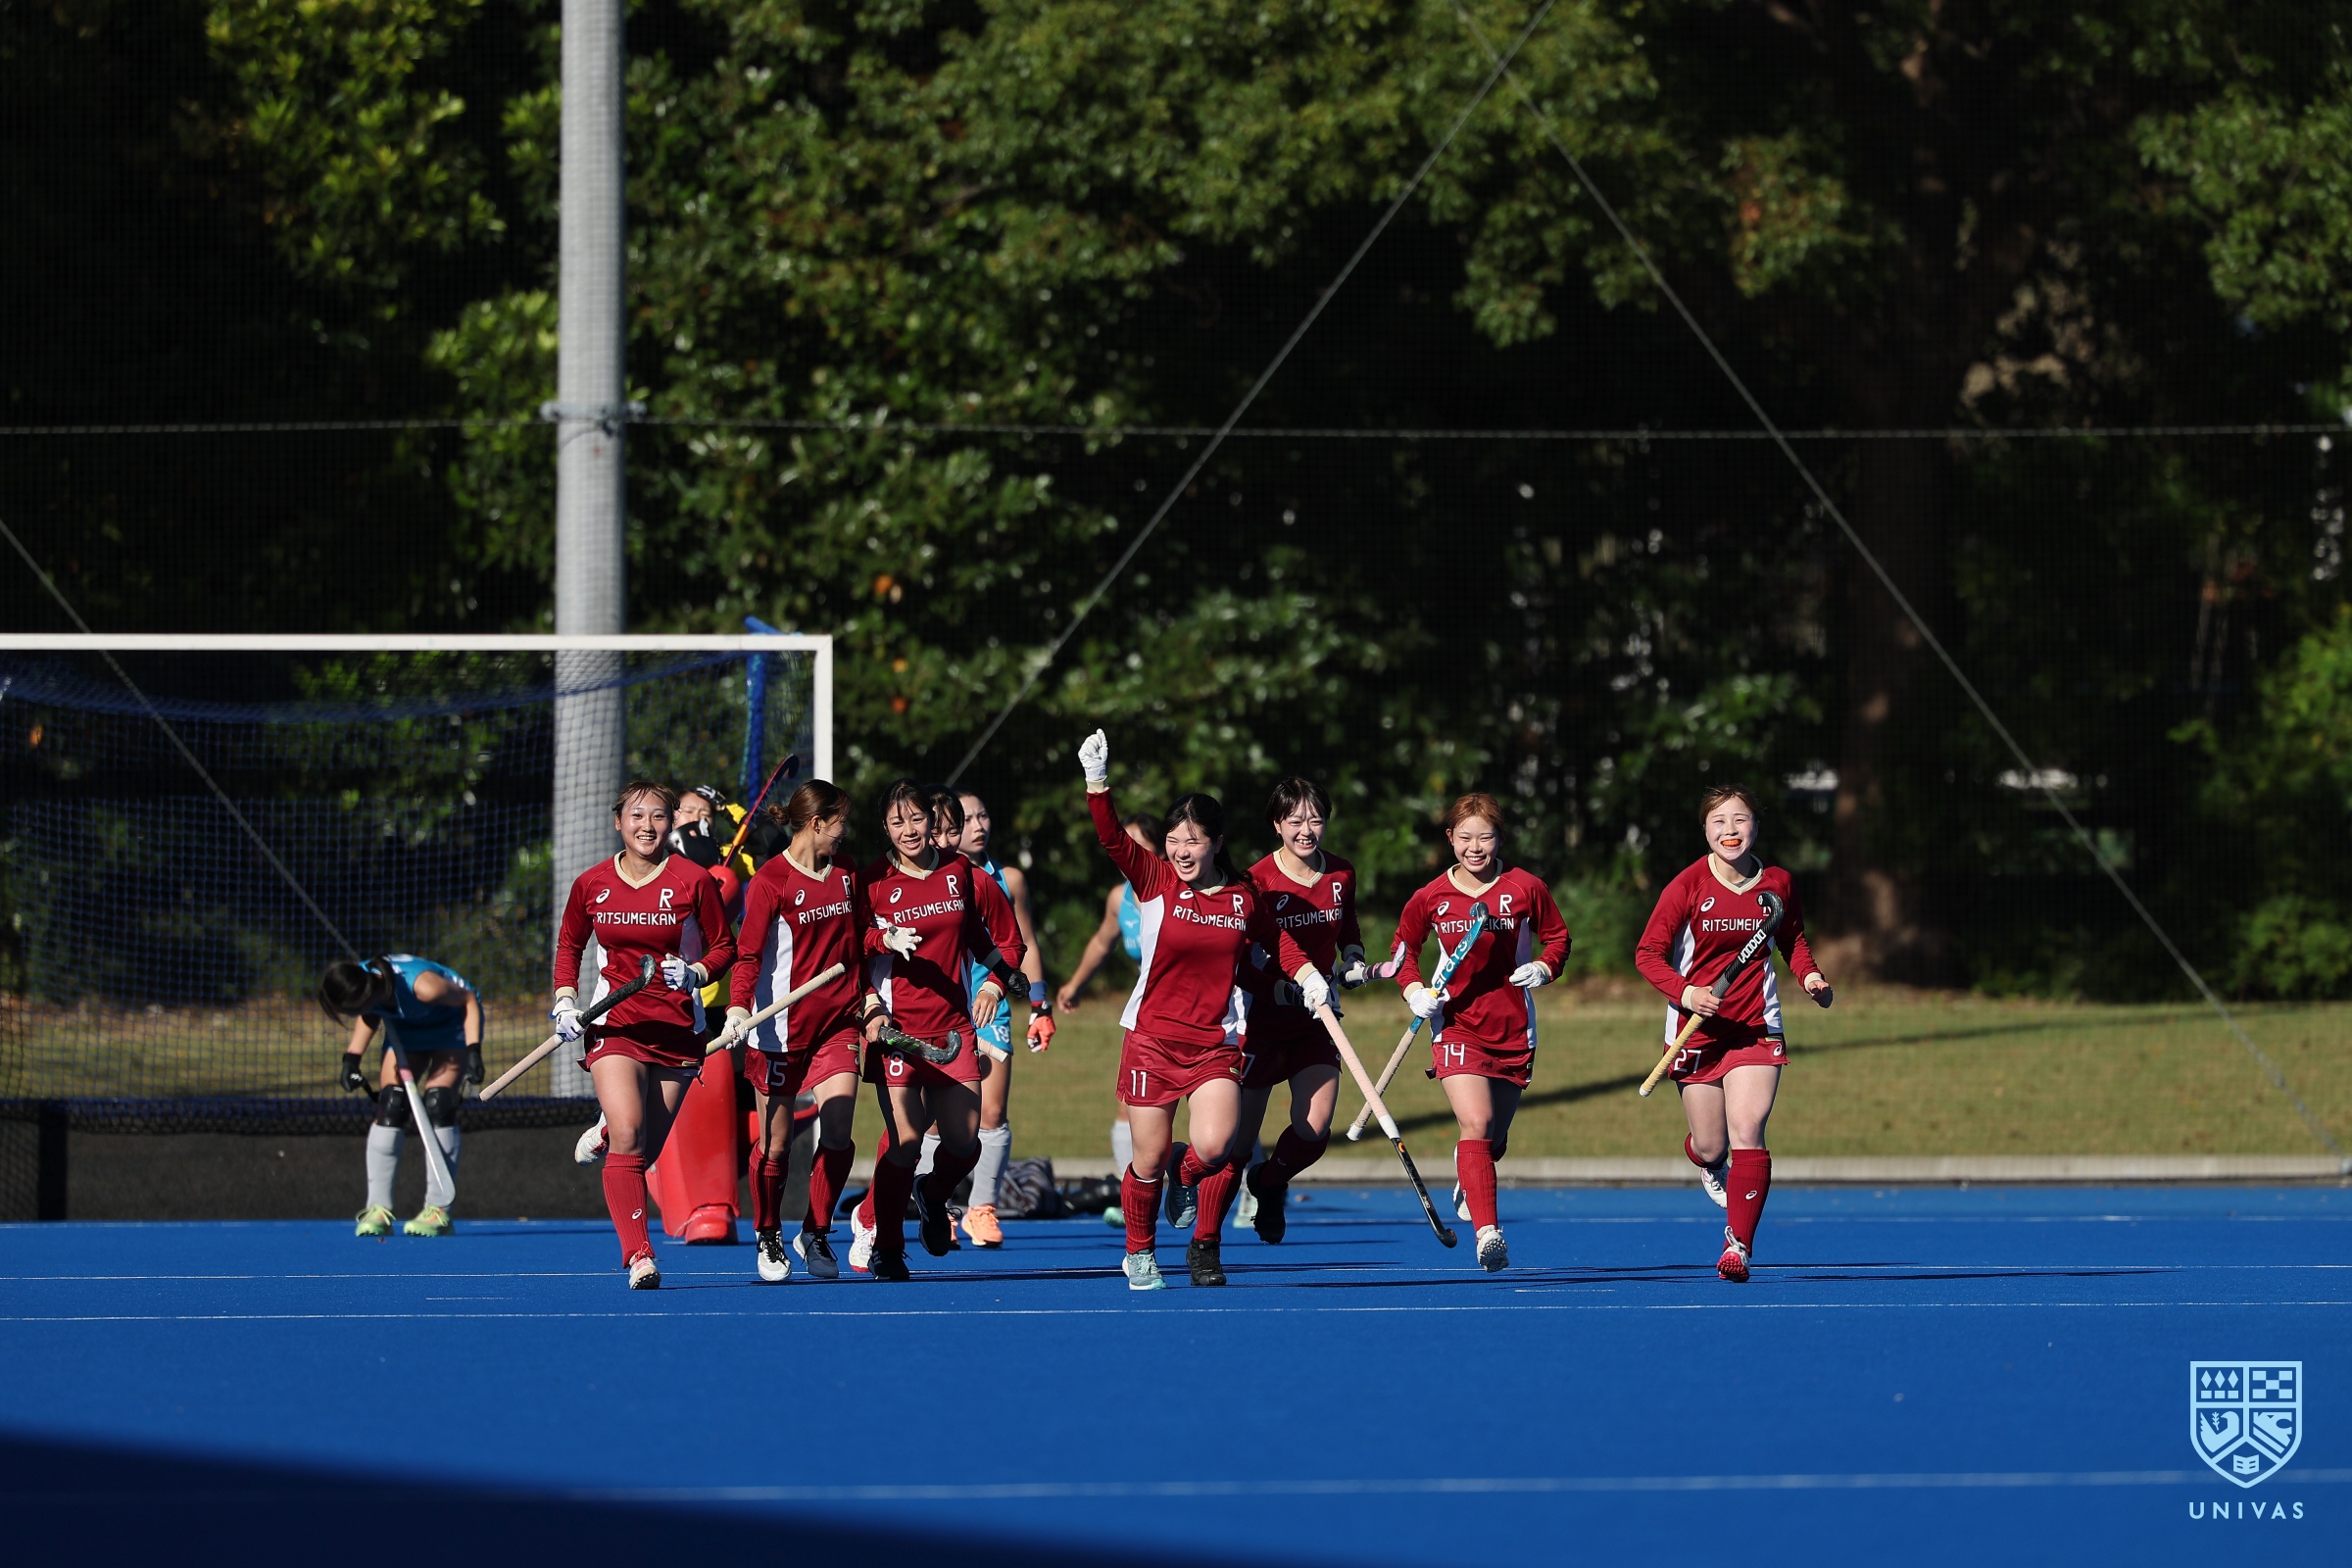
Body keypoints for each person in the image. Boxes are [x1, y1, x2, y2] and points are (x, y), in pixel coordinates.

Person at [1076, 730, 1313, 1290]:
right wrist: (1097, 782)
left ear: (1217, 842)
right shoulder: (1155, 879)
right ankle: (1139, 1254)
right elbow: (1112, 838)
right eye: (1173, 840)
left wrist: (1305, 976)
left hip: (1214, 1041)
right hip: (1152, 1041)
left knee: (1214, 1146)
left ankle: (1185, 1175)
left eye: (1193, 841)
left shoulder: (1242, 896)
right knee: (1147, 1160)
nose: (1182, 851)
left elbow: (1275, 942)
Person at [1633, 783, 1833, 1283]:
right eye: (1719, 821)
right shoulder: (1686, 885)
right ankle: (1706, 1159)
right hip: (1696, 1029)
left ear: (1756, 827)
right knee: (1712, 1145)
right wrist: (1687, 994)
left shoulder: (1778, 883)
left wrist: (1809, 975)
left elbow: (1792, 939)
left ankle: (1737, 1247)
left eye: (1740, 820)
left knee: (1749, 1128)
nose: (1730, 831)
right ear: (1705, 829)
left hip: (1755, 1026)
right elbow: (1647, 955)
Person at [551, 780, 736, 1290]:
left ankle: (606, 1133)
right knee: (631, 1135)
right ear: (619, 823)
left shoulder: (693, 880)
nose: (646, 826)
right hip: (616, 1024)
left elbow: (725, 947)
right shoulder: (591, 883)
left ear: (670, 822)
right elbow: (569, 946)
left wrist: (696, 973)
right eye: (636, 816)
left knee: (641, 1152)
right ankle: (639, 1256)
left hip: (677, 1028)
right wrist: (565, 1000)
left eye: (657, 816)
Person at [848, 780, 1028, 1280]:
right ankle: (887, 1245)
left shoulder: (962, 872)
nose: (908, 830)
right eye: (896, 821)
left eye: (916, 819)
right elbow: (849, 950)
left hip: (952, 1030)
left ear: (932, 820)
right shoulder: (871, 882)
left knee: (965, 1143)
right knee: (906, 1142)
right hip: (896, 1032)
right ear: (885, 828)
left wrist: (995, 983)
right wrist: (871, 1003)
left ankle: (931, 1193)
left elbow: (996, 938)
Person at [1391, 792, 1570, 1273]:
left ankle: (1471, 1170)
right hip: (1455, 1024)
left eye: (1485, 837)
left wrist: (1544, 968)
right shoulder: (1430, 896)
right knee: (1477, 1122)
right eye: (1465, 837)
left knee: (1494, 1139)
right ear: (1450, 838)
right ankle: (1488, 1234)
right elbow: (1404, 949)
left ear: (1500, 839)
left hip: (1513, 1027)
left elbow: (1558, 938)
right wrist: (1413, 990)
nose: (1475, 847)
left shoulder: (1526, 887)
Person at [718, 779, 870, 1282]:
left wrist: (882, 945)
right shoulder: (770, 881)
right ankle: (768, 1233)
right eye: (840, 822)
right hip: (780, 1030)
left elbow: (860, 938)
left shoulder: (847, 873)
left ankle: (816, 1231)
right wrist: (737, 1009)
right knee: (776, 1146)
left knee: (839, 1129)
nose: (844, 832)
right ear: (816, 823)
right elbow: (748, 955)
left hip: (837, 1022)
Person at [1211, 777, 1370, 1245]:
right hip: (1260, 1021)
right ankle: (1207, 1241)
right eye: (1295, 820)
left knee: (1314, 1129)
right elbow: (1239, 964)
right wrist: (1282, 991)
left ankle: (1269, 1182)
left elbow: (1347, 924)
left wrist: (1354, 958)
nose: (1306, 830)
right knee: (1237, 1145)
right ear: (1276, 824)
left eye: (1315, 820)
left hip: (1316, 1020)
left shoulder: (1341, 873)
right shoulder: (1255, 881)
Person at [949, 788, 1054, 1247]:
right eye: (966, 819)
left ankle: (981, 1208)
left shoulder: (1008, 879)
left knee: (992, 1111)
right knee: (939, 1119)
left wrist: (1040, 1006)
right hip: (942, 1007)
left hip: (992, 1006)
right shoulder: (932, 879)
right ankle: (941, 1207)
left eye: (983, 815)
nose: (978, 826)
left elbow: (1025, 941)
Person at [321, 954, 483, 1239]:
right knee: (392, 1104)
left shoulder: (424, 987)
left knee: (439, 1103)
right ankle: (378, 1209)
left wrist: (473, 1051)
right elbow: (370, 1012)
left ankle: (439, 1210)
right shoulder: (364, 980)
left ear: (365, 995)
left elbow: (468, 1000)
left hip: (451, 1027)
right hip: (407, 1032)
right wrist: (352, 1058)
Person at [1055, 809, 1164, 1180]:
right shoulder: (1120, 898)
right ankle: (1126, 1188)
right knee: (1129, 1105)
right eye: (1123, 844)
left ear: (1161, 850)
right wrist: (1075, 985)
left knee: (1218, 1114)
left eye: (1138, 845)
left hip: (1197, 1015)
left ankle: (1246, 1189)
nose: (1127, 853)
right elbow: (1103, 942)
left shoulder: (1179, 890)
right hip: (1147, 1016)